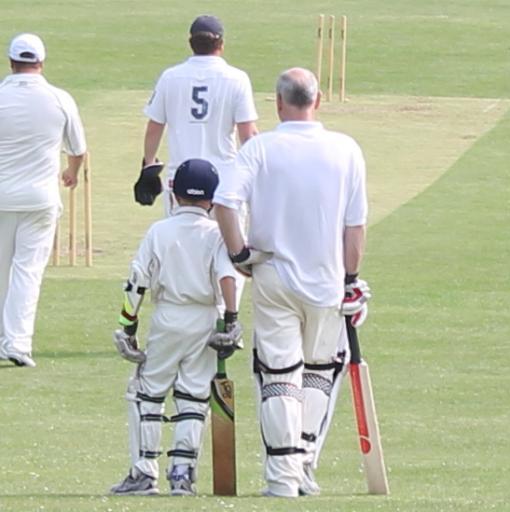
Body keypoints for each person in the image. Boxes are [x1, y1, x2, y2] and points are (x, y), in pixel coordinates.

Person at [213, 67, 371, 497]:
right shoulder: (346, 149)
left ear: (279, 103)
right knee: (320, 371)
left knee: (280, 373)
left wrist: (240, 254)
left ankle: (283, 478)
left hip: (274, 277)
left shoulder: (258, 149)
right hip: (326, 281)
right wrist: (351, 279)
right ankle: (301, 467)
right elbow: (354, 228)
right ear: (317, 101)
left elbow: (224, 204)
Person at [110, 159, 243, 497]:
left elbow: (137, 281)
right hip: (204, 319)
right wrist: (232, 320)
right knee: (193, 395)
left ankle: (144, 473)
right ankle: (182, 475)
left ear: (173, 192)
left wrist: (127, 326)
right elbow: (227, 276)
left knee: (149, 392)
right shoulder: (216, 233)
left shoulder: (160, 231)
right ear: (212, 199)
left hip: (168, 317)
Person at [0, 33, 86, 368]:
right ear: (41, 62)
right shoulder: (59, 98)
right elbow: (78, 150)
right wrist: (72, 173)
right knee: (27, 272)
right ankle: (18, 344)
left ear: (11, 63)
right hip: (40, 199)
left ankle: (8, 341)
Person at [135, 14, 258, 214]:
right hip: (223, 180)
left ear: (190, 43)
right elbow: (248, 134)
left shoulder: (170, 77)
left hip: (180, 181)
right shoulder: (237, 79)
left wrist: (148, 167)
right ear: (221, 44)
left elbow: (154, 128)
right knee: (225, 243)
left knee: (179, 242)